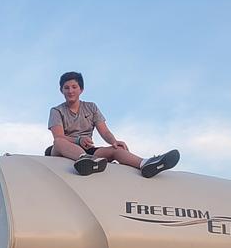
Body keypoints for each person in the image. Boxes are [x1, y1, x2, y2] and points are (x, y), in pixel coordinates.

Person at [48, 71, 180, 177]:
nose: (70, 91)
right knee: (58, 142)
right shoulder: (57, 110)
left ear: (81, 89)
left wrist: (114, 141)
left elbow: (104, 131)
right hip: (64, 149)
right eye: (66, 88)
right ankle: (84, 160)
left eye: (74, 87)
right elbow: (58, 136)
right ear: (61, 90)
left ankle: (145, 164)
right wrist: (78, 140)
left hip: (88, 150)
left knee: (116, 150)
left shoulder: (91, 107)